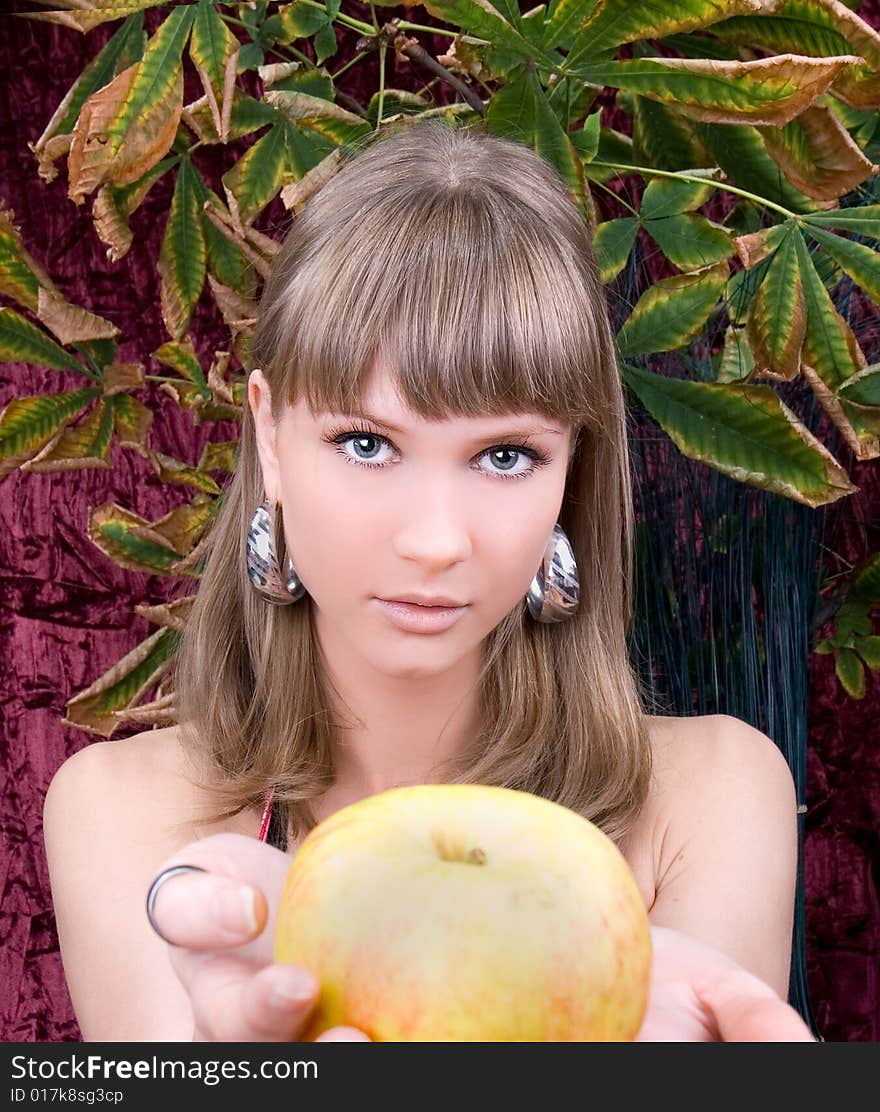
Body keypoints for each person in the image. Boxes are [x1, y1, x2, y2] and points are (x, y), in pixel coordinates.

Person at [42, 119, 815, 1043]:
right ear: (269, 435)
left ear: (572, 468)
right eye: (367, 444)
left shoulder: (713, 794)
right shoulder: (124, 812)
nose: (436, 540)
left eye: (504, 455)